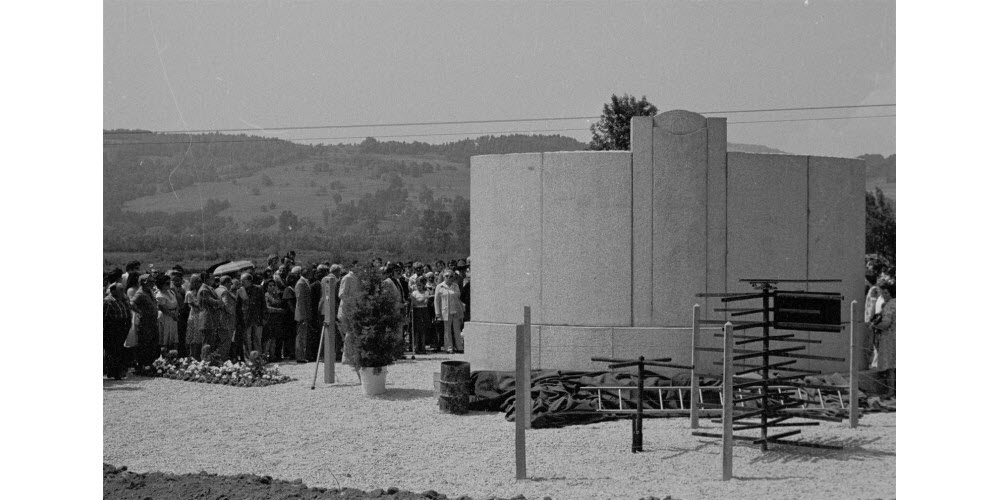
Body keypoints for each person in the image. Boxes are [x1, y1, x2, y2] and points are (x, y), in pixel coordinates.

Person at [868, 280, 896, 398]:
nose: (883, 296)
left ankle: (890, 391)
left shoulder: (890, 305)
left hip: (889, 338)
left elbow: (885, 323)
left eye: (885, 293)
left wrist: (874, 325)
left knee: (890, 366)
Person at [130, 275, 160, 372]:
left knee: (153, 342)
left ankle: (150, 363)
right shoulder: (140, 293)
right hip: (145, 322)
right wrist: (139, 311)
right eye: (150, 281)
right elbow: (132, 303)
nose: (152, 283)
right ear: (144, 282)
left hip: (152, 321)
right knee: (144, 343)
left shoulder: (149, 291)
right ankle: (142, 365)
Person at [338, 261, 361, 375]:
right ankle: (346, 357)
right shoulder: (347, 278)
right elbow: (342, 294)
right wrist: (352, 302)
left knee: (353, 333)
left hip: (354, 309)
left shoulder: (356, 278)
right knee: (349, 333)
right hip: (347, 309)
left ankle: (351, 355)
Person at [104, 283, 131, 379]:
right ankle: (115, 372)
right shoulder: (108, 301)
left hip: (123, 326)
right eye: (121, 290)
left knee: (119, 350)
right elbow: (105, 317)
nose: (123, 292)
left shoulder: (122, 299)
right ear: (113, 291)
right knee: (114, 351)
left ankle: (115, 371)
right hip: (113, 328)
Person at [434, 269, 465, 354]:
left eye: (451, 276)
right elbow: (436, 301)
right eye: (447, 276)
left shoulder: (455, 286)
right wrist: (437, 313)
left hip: (455, 310)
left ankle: (459, 347)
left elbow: (458, 296)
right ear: (443, 277)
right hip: (445, 311)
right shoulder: (439, 287)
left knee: (457, 330)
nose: (449, 278)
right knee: (447, 330)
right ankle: (448, 348)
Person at [237, 272, 266, 357]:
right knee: (247, 340)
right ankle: (248, 358)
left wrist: (264, 317)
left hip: (257, 318)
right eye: (241, 281)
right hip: (246, 319)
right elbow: (238, 306)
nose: (241, 283)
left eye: (243, 281)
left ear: (250, 281)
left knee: (257, 339)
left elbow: (263, 304)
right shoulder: (240, 291)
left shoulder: (259, 289)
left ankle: (258, 358)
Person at [153, 274, 180, 352]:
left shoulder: (171, 292)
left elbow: (176, 304)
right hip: (166, 317)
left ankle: (175, 356)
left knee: (174, 337)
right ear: (161, 284)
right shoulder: (159, 296)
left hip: (174, 316)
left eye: (169, 283)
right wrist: (173, 315)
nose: (169, 285)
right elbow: (163, 309)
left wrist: (176, 313)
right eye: (167, 283)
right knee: (166, 337)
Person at [263, 279, 287, 362]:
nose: (272, 287)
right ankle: (265, 356)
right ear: (266, 287)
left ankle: (272, 356)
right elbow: (267, 308)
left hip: (277, 320)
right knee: (268, 339)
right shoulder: (266, 295)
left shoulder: (276, 295)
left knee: (274, 339)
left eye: (273, 285)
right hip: (269, 319)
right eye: (270, 285)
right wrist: (278, 310)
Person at [294, 266, 313, 363]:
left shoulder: (305, 282)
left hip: (305, 314)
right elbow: (300, 302)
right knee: (301, 336)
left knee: (303, 336)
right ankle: (299, 356)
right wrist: (303, 316)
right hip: (302, 315)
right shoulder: (301, 283)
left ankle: (302, 355)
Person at [216, 276, 238, 361]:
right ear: (226, 283)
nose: (231, 285)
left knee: (220, 342)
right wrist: (232, 312)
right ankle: (223, 361)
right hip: (226, 320)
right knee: (225, 343)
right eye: (230, 283)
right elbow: (226, 305)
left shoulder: (217, 290)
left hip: (219, 319)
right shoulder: (224, 291)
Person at [410, 276, 433, 354]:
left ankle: (422, 347)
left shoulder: (426, 292)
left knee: (423, 330)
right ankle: (416, 347)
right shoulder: (414, 293)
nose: (419, 287)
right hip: (416, 311)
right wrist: (421, 300)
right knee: (416, 330)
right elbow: (415, 303)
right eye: (417, 285)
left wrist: (419, 300)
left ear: (423, 285)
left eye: (420, 285)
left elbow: (425, 302)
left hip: (424, 311)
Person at [185, 274, 205, 359]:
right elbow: (194, 305)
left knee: (200, 337)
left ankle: (198, 356)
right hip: (194, 316)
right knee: (193, 337)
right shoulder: (189, 293)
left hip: (201, 316)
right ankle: (192, 355)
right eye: (196, 282)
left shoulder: (202, 292)